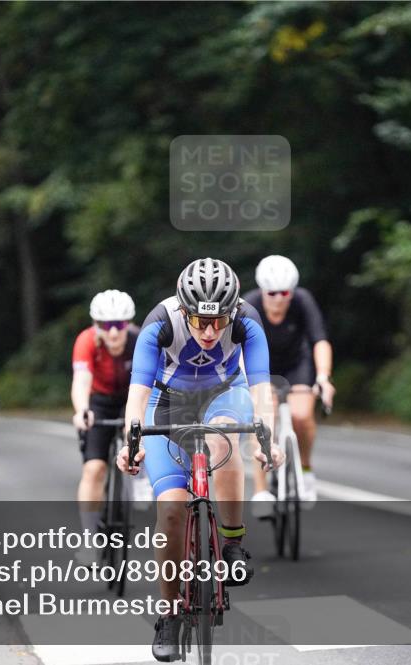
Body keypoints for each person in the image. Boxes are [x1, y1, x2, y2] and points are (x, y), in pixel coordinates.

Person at [116, 257, 284, 662]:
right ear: (184, 310)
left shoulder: (247, 319)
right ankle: (170, 612)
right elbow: (137, 394)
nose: (210, 332)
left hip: (225, 393)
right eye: (199, 322)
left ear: (231, 312)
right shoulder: (160, 322)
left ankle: (231, 544)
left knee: (221, 433)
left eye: (219, 322)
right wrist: (131, 441)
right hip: (167, 402)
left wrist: (267, 439)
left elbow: (262, 389)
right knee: (170, 508)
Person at [242, 255, 335, 512]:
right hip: (262, 368)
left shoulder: (303, 300)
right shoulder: (249, 305)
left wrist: (324, 377)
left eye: (285, 293)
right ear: (262, 290)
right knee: (261, 420)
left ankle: (305, 469)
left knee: (302, 415)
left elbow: (320, 340)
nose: (279, 299)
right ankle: (261, 491)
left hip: (297, 364)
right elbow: (236, 348)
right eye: (272, 293)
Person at [71, 290, 140, 547]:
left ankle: (140, 478)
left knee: (136, 432)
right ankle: (88, 538)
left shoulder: (140, 340)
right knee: (94, 469)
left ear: (128, 323)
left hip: (130, 398)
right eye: (106, 325)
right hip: (99, 400)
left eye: (120, 325)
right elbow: (81, 380)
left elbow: (152, 383)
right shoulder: (86, 341)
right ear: (95, 325)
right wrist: (82, 410)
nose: (113, 333)